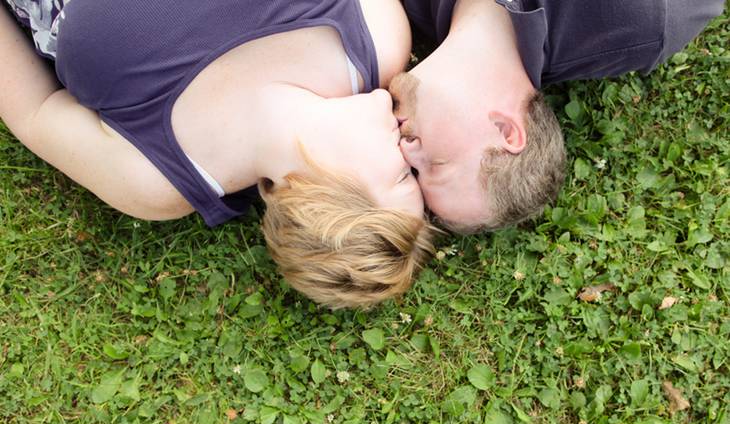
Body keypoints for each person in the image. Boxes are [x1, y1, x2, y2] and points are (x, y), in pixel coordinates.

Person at [0, 0, 436, 309]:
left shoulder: (157, 178)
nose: (413, 149)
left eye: (404, 177)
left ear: (321, 199)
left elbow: (33, 109)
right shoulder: (376, 41)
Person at [391, 0, 725, 234]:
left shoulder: (397, 15)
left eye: (414, 171)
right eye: (436, 164)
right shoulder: (634, 20)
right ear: (506, 131)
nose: (405, 151)